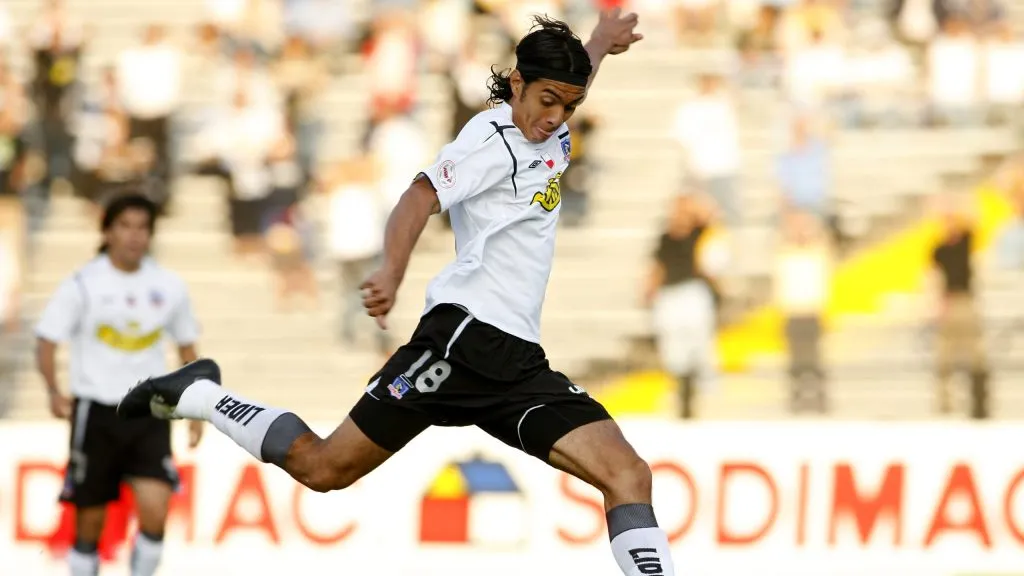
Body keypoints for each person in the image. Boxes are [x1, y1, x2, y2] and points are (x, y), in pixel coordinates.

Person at [120, 13, 677, 576]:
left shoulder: (550, 128)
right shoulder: (490, 142)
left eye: (569, 107)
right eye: (547, 100)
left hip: (517, 361)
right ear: (515, 84)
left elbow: (566, 84)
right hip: (461, 342)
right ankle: (199, 395)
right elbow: (417, 197)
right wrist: (391, 270)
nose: (555, 117)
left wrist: (600, 44)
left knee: (628, 474)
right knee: (322, 467)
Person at [34, 194, 204, 576]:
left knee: (156, 509)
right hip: (96, 412)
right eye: (125, 226)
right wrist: (52, 389)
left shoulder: (168, 285)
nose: (134, 236)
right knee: (90, 522)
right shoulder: (83, 283)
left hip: (149, 410)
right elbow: (47, 339)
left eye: (142, 227)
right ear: (108, 231)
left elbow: (187, 347)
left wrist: (198, 407)